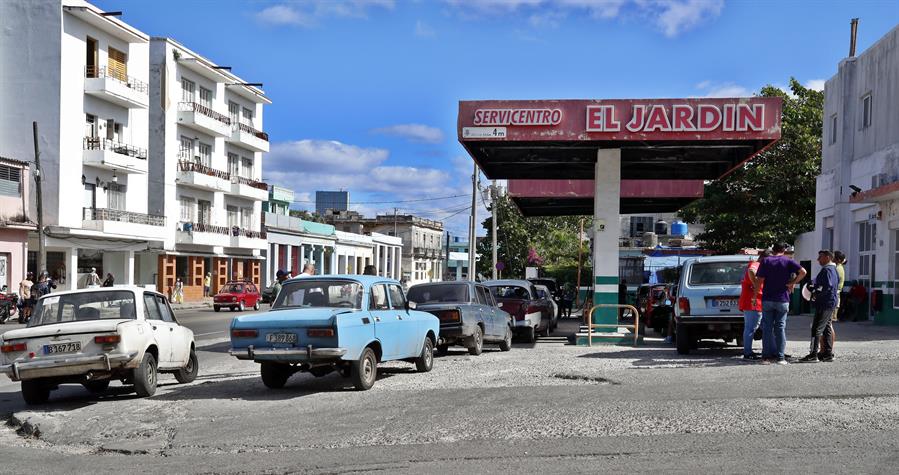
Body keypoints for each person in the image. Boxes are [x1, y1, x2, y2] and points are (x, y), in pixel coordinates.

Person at [755, 243, 807, 365]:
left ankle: (766, 358)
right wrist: (793, 282)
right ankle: (780, 358)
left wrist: (755, 295)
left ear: (773, 250)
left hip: (767, 298)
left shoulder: (766, 261)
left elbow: (759, 280)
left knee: (767, 329)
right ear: (784, 250)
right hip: (783, 299)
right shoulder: (788, 261)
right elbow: (803, 272)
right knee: (780, 328)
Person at [799, 250, 839, 363]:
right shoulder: (834, 269)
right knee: (826, 328)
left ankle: (813, 354)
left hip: (824, 303)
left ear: (828, 257)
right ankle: (827, 354)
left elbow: (827, 286)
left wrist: (815, 293)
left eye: (820, 257)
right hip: (830, 302)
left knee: (816, 328)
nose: (818, 259)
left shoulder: (827, 270)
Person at [739, 250, 768, 360]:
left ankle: (749, 351)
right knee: (750, 328)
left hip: (754, 301)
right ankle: (747, 352)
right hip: (752, 302)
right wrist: (756, 283)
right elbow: (752, 270)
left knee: (753, 327)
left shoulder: (760, 265)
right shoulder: (756, 264)